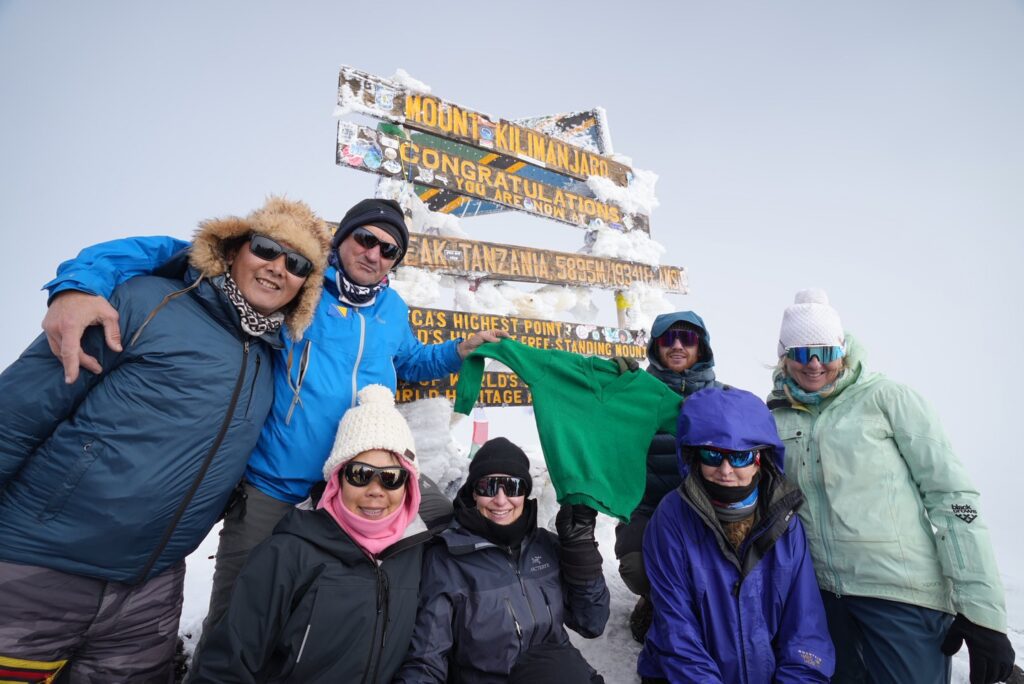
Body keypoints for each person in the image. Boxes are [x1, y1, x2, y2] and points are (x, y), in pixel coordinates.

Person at [36, 198, 504, 651]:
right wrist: (78, 284)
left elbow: (410, 361)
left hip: (352, 489)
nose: (374, 253)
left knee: (318, 608)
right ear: (342, 238)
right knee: (239, 609)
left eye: (389, 250)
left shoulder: (392, 311)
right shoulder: (302, 283)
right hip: (275, 484)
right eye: (365, 238)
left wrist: (457, 351)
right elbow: (180, 253)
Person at [0, 196, 330, 682]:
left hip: (149, 595)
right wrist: (77, 282)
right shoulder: (145, 300)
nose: (278, 267)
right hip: (40, 569)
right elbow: (16, 416)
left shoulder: (271, 357)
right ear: (235, 248)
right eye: (265, 249)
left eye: (297, 263)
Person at [768, 288, 1015, 684]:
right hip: (820, 598)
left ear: (843, 350)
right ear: (784, 356)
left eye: (826, 352)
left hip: (901, 596)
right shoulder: (775, 417)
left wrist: (983, 614)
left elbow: (953, 499)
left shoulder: (888, 399)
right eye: (800, 353)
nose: (814, 364)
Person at [190, 385, 441, 682]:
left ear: (408, 485)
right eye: (360, 474)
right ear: (338, 479)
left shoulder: (418, 552)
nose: (375, 491)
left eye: (390, 478)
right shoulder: (286, 555)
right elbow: (225, 666)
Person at [638, 386, 834, 683]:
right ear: (694, 456)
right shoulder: (672, 519)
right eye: (712, 454)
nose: (726, 470)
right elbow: (677, 632)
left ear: (760, 457)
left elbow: (805, 631)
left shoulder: (785, 520)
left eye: (740, 456)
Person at [395, 437, 610, 683]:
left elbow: (592, 622)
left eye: (513, 487)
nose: (500, 499)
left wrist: (580, 550)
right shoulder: (447, 561)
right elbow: (426, 660)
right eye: (488, 486)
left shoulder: (545, 546)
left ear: (525, 493)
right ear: (473, 492)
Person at [613, 311, 722, 642]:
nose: (677, 346)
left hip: (705, 510)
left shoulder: (722, 397)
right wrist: (607, 383)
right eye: (667, 339)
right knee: (636, 567)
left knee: (708, 571)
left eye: (687, 338)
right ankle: (654, 601)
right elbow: (595, 414)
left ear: (700, 347)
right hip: (648, 507)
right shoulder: (634, 392)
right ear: (655, 347)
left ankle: (703, 617)